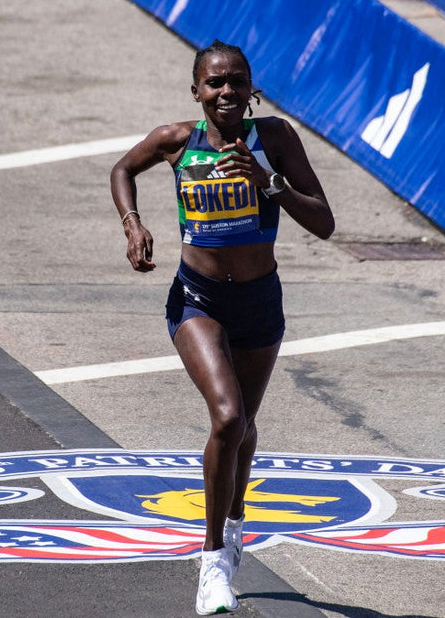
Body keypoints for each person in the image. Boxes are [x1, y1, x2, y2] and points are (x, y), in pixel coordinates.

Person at [110, 40, 335, 615]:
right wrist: (133, 226)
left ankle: (234, 526)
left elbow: (325, 221)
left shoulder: (275, 139)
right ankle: (212, 560)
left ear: (251, 88)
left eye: (237, 81)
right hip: (197, 299)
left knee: (246, 426)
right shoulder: (175, 141)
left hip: (260, 302)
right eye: (214, 83)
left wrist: (269, 183)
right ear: (196, 92)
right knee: (228, 417)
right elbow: (122, 169)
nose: (226, 91)